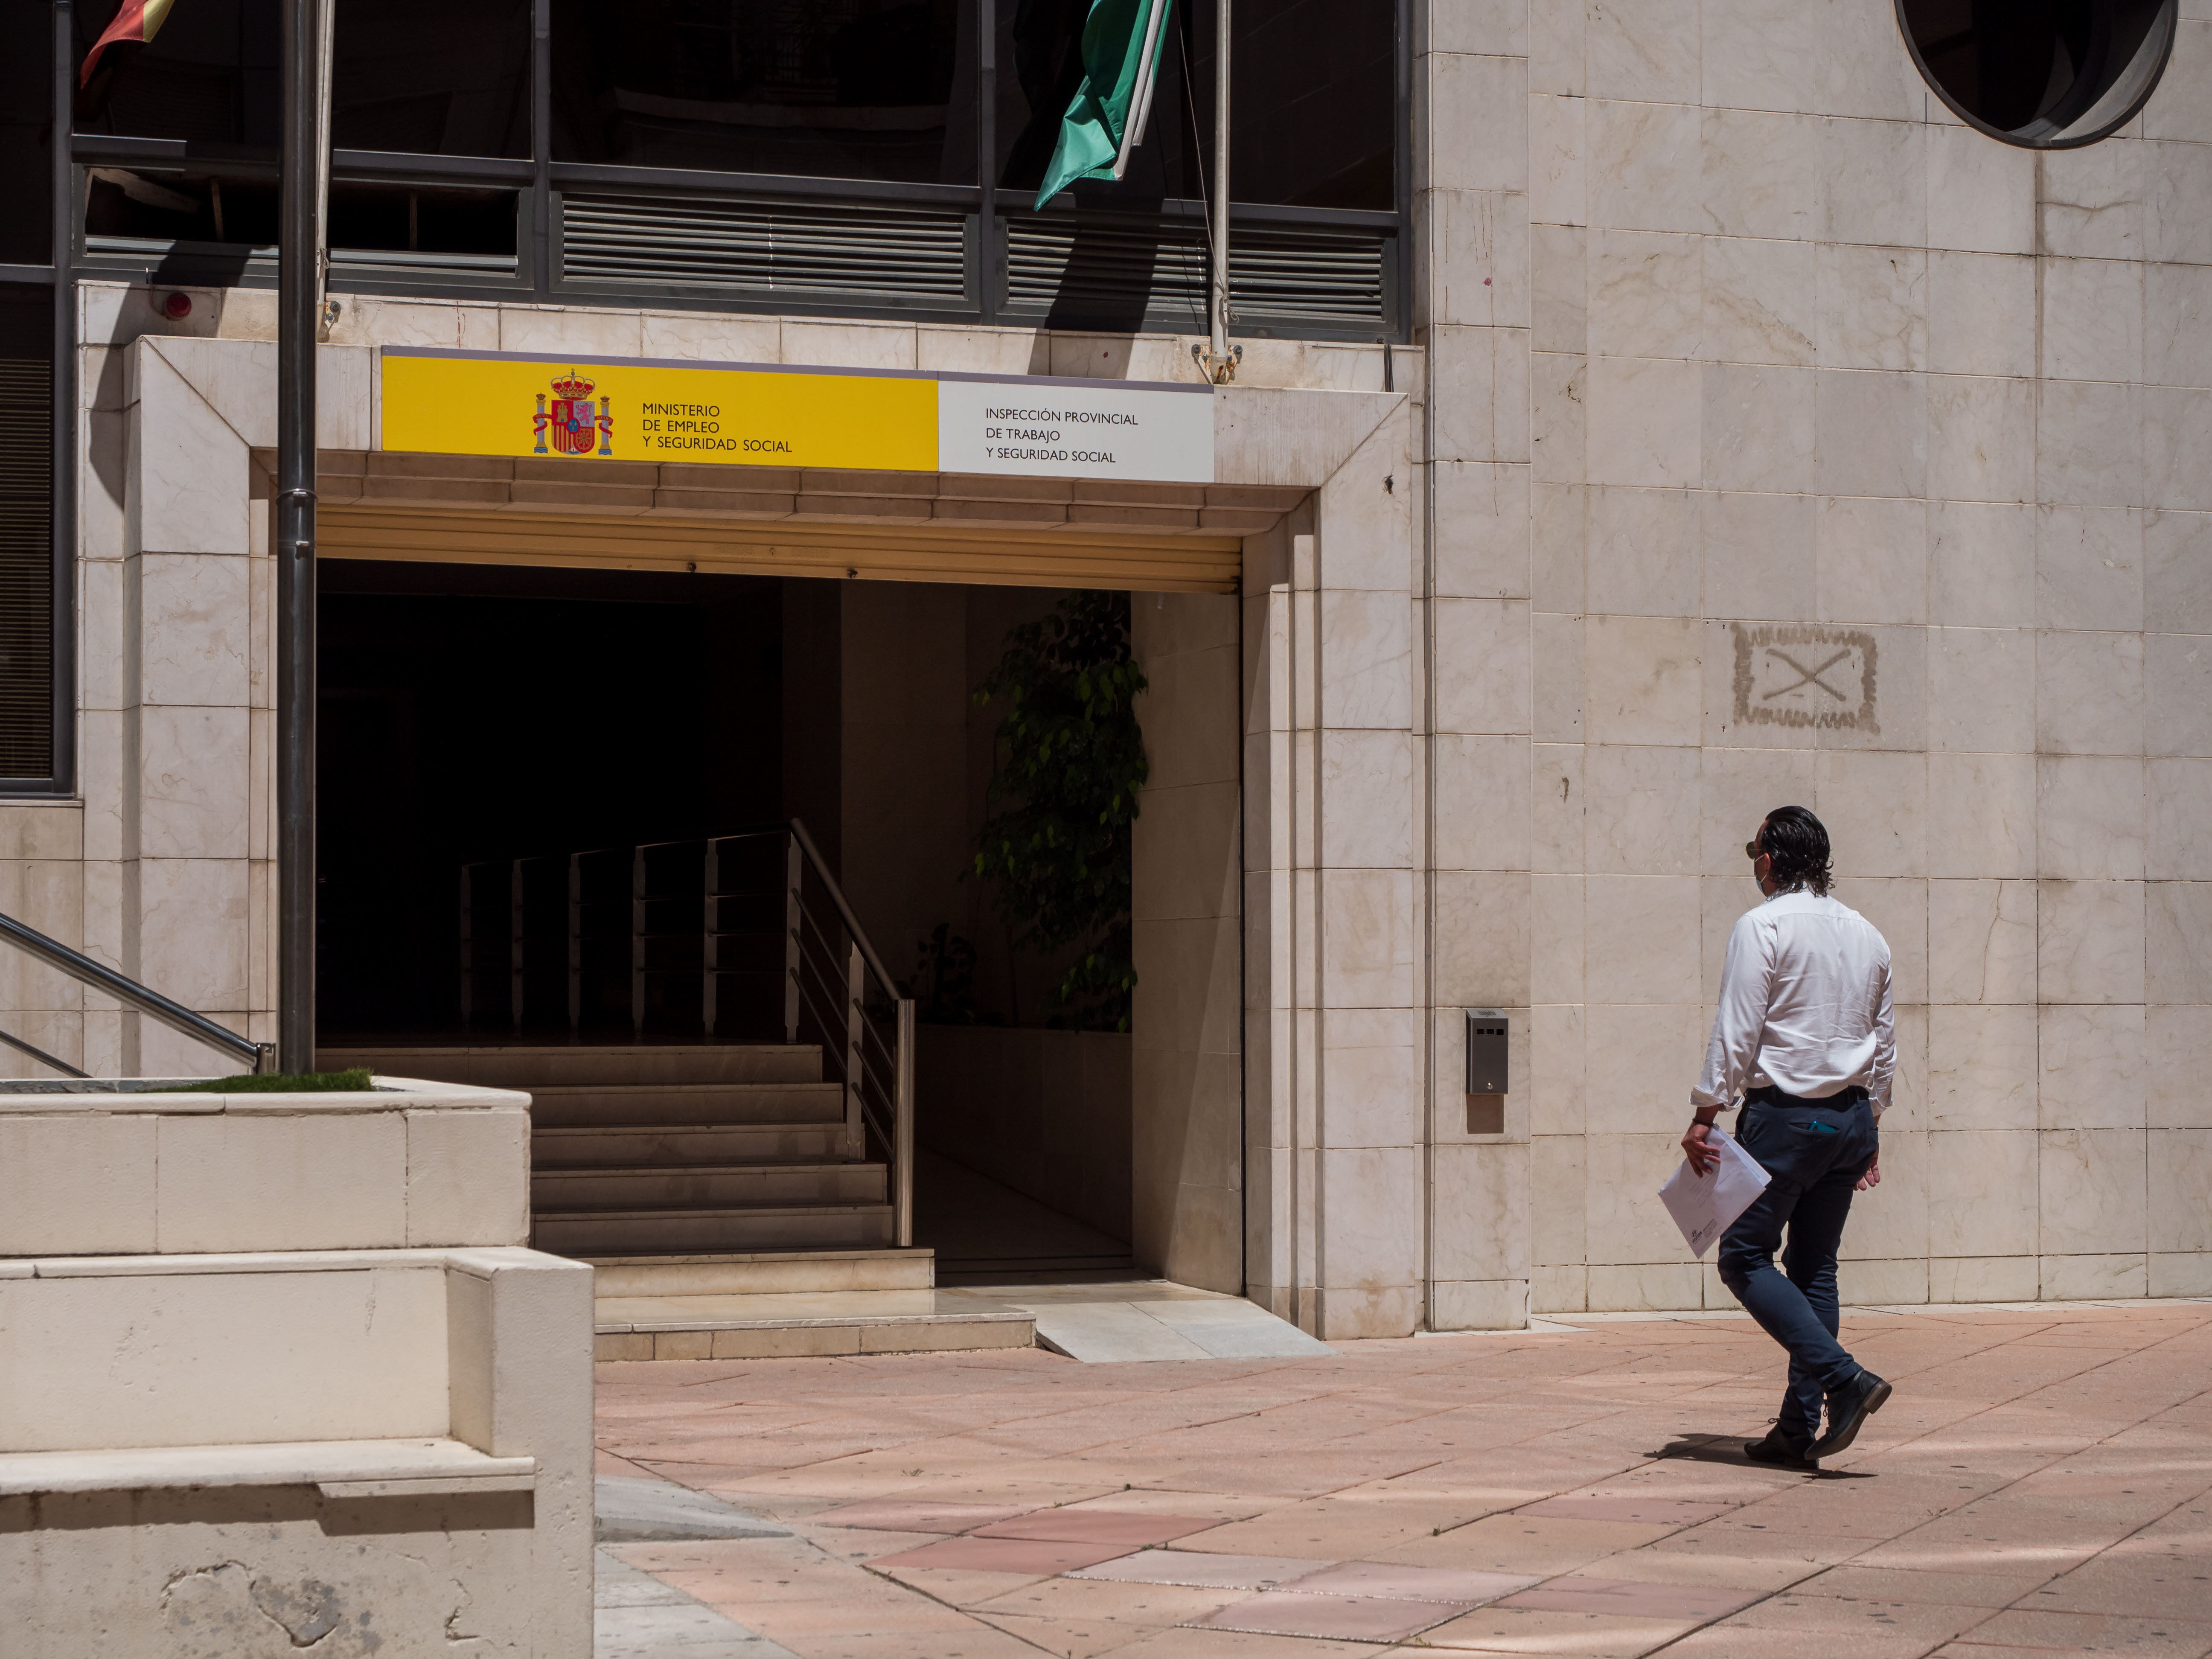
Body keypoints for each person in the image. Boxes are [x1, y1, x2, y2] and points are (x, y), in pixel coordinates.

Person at [1683, 806, 1893, 1471]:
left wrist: (1706, 1112)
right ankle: (1798, 1430)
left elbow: (1737, 1027)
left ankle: (1846, 1380)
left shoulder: (1762, 925)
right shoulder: (1869, 934)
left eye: (1755, 851)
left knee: (1743, 1258)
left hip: (1785, 1119)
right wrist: (1873, 1125)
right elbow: (1883, 1040)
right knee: (1814, 1269)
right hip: (1851, 1119)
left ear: (1769, 860)